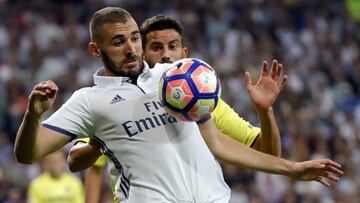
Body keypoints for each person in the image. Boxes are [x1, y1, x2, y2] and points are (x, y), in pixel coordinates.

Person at [15, 7, 343, 202]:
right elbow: (29, 155)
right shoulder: (89, 102)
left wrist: (293, 169)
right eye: (118, 42)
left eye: (133, 38)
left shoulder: (177, 80)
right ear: (94, 49)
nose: (130, 48)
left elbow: (218, 144)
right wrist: (33, 115)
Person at [68, 14, 285, 202]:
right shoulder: (120, 103)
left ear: (184, 53)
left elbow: (268, 154)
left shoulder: (203, 104)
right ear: (140, 53)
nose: (166, 55)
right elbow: (77, 161)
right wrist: (98, 140)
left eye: (173, 46)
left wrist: (264, 111)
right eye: (156, 47)